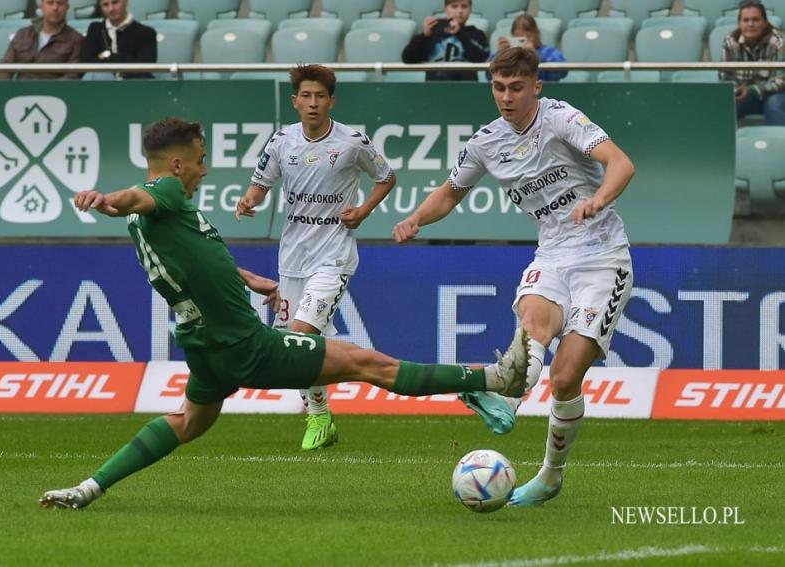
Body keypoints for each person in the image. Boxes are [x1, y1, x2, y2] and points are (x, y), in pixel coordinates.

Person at [39, 117, 529, 510]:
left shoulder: (155, 217)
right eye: (200, 162)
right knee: (366, 362)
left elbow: (189, 254)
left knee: (188, 422)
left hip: (205, 347)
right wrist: (104, 201)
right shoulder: (163, 193)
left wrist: (248, 278)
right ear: (175, 164)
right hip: (245, 345)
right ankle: (494, 378)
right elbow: (135, 196)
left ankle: (89, 487)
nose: (204, 170)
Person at [393, 47, 635, 507]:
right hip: (554, 252)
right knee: (533, 322)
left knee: (565, 380)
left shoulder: (561, 118)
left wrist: (599, 199)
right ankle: (508, 399)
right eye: (499, 87)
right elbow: (449, 193)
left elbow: (622, 163)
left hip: (604, 258)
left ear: (536, 87)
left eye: (516, 87)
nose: (506, 96)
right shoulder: (485, 142)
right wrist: (416, 219)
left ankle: (550, 475)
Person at [235, 65, 396, 451]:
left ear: (331, 101)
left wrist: (364, 210)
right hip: (292, 257)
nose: (312, 103)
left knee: (302, 337)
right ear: (295, 102)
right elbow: (261, 183)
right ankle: (320, 413)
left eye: (319, 97)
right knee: (295, 348)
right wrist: (249, 200)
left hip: (334, 255)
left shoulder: (353, 142)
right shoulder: (281, 142)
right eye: (305, 97)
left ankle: (319, 417)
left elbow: (387, 176)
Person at [720, 0, 785, 125]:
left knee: (774, 104)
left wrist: (752, 90)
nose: (750, 24)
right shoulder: (730, 42)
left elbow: (781, 80)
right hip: (744, 95)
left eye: (755, 20)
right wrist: (736, 91)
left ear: (765, 23)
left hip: (777, 94)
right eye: (746, 20)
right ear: (739, 23)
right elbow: (725, 76)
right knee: (724, 105)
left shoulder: (778, 42)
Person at [401, 0, 489, 81]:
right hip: (435, 84)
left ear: (470, 10)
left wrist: (459, 33)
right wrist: (424, 35)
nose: (460, 11)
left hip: (465, 84)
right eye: (454, 7)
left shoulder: (476, 33)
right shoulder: (432, 33)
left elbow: (481, 58)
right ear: (446, 10)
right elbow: (408, 58)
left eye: (464, 6)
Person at [0, 0, 82, 81]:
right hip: (20, 91)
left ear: (67, 8)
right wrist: (8, 90)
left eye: (60, 3)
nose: (55, 7)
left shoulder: (75, 39)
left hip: (54, 93)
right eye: (50, 3)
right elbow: (4, 68)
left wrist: (46, 90)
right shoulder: (23, 34)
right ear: (41, 6)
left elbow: (73, 76)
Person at [79, 0, 157, 80]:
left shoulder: (146, 32)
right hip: (101, 86)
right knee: (97, 75)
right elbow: (85, 64)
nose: (111, 9)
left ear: (126, 2)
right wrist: (125, 59)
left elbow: (144, 69)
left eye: (115, 2)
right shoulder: (95, 29)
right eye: (105, 5)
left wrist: (107, 56)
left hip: (133, 86)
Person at [488, 14, 567, 82]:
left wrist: (535, 56)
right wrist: (500, 55)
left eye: (528, 36)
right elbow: (489, 75)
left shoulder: (550, 52)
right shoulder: (509, 57)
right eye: (520, 39)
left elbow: (562, 72)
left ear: (537, 33)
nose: (525, 42)